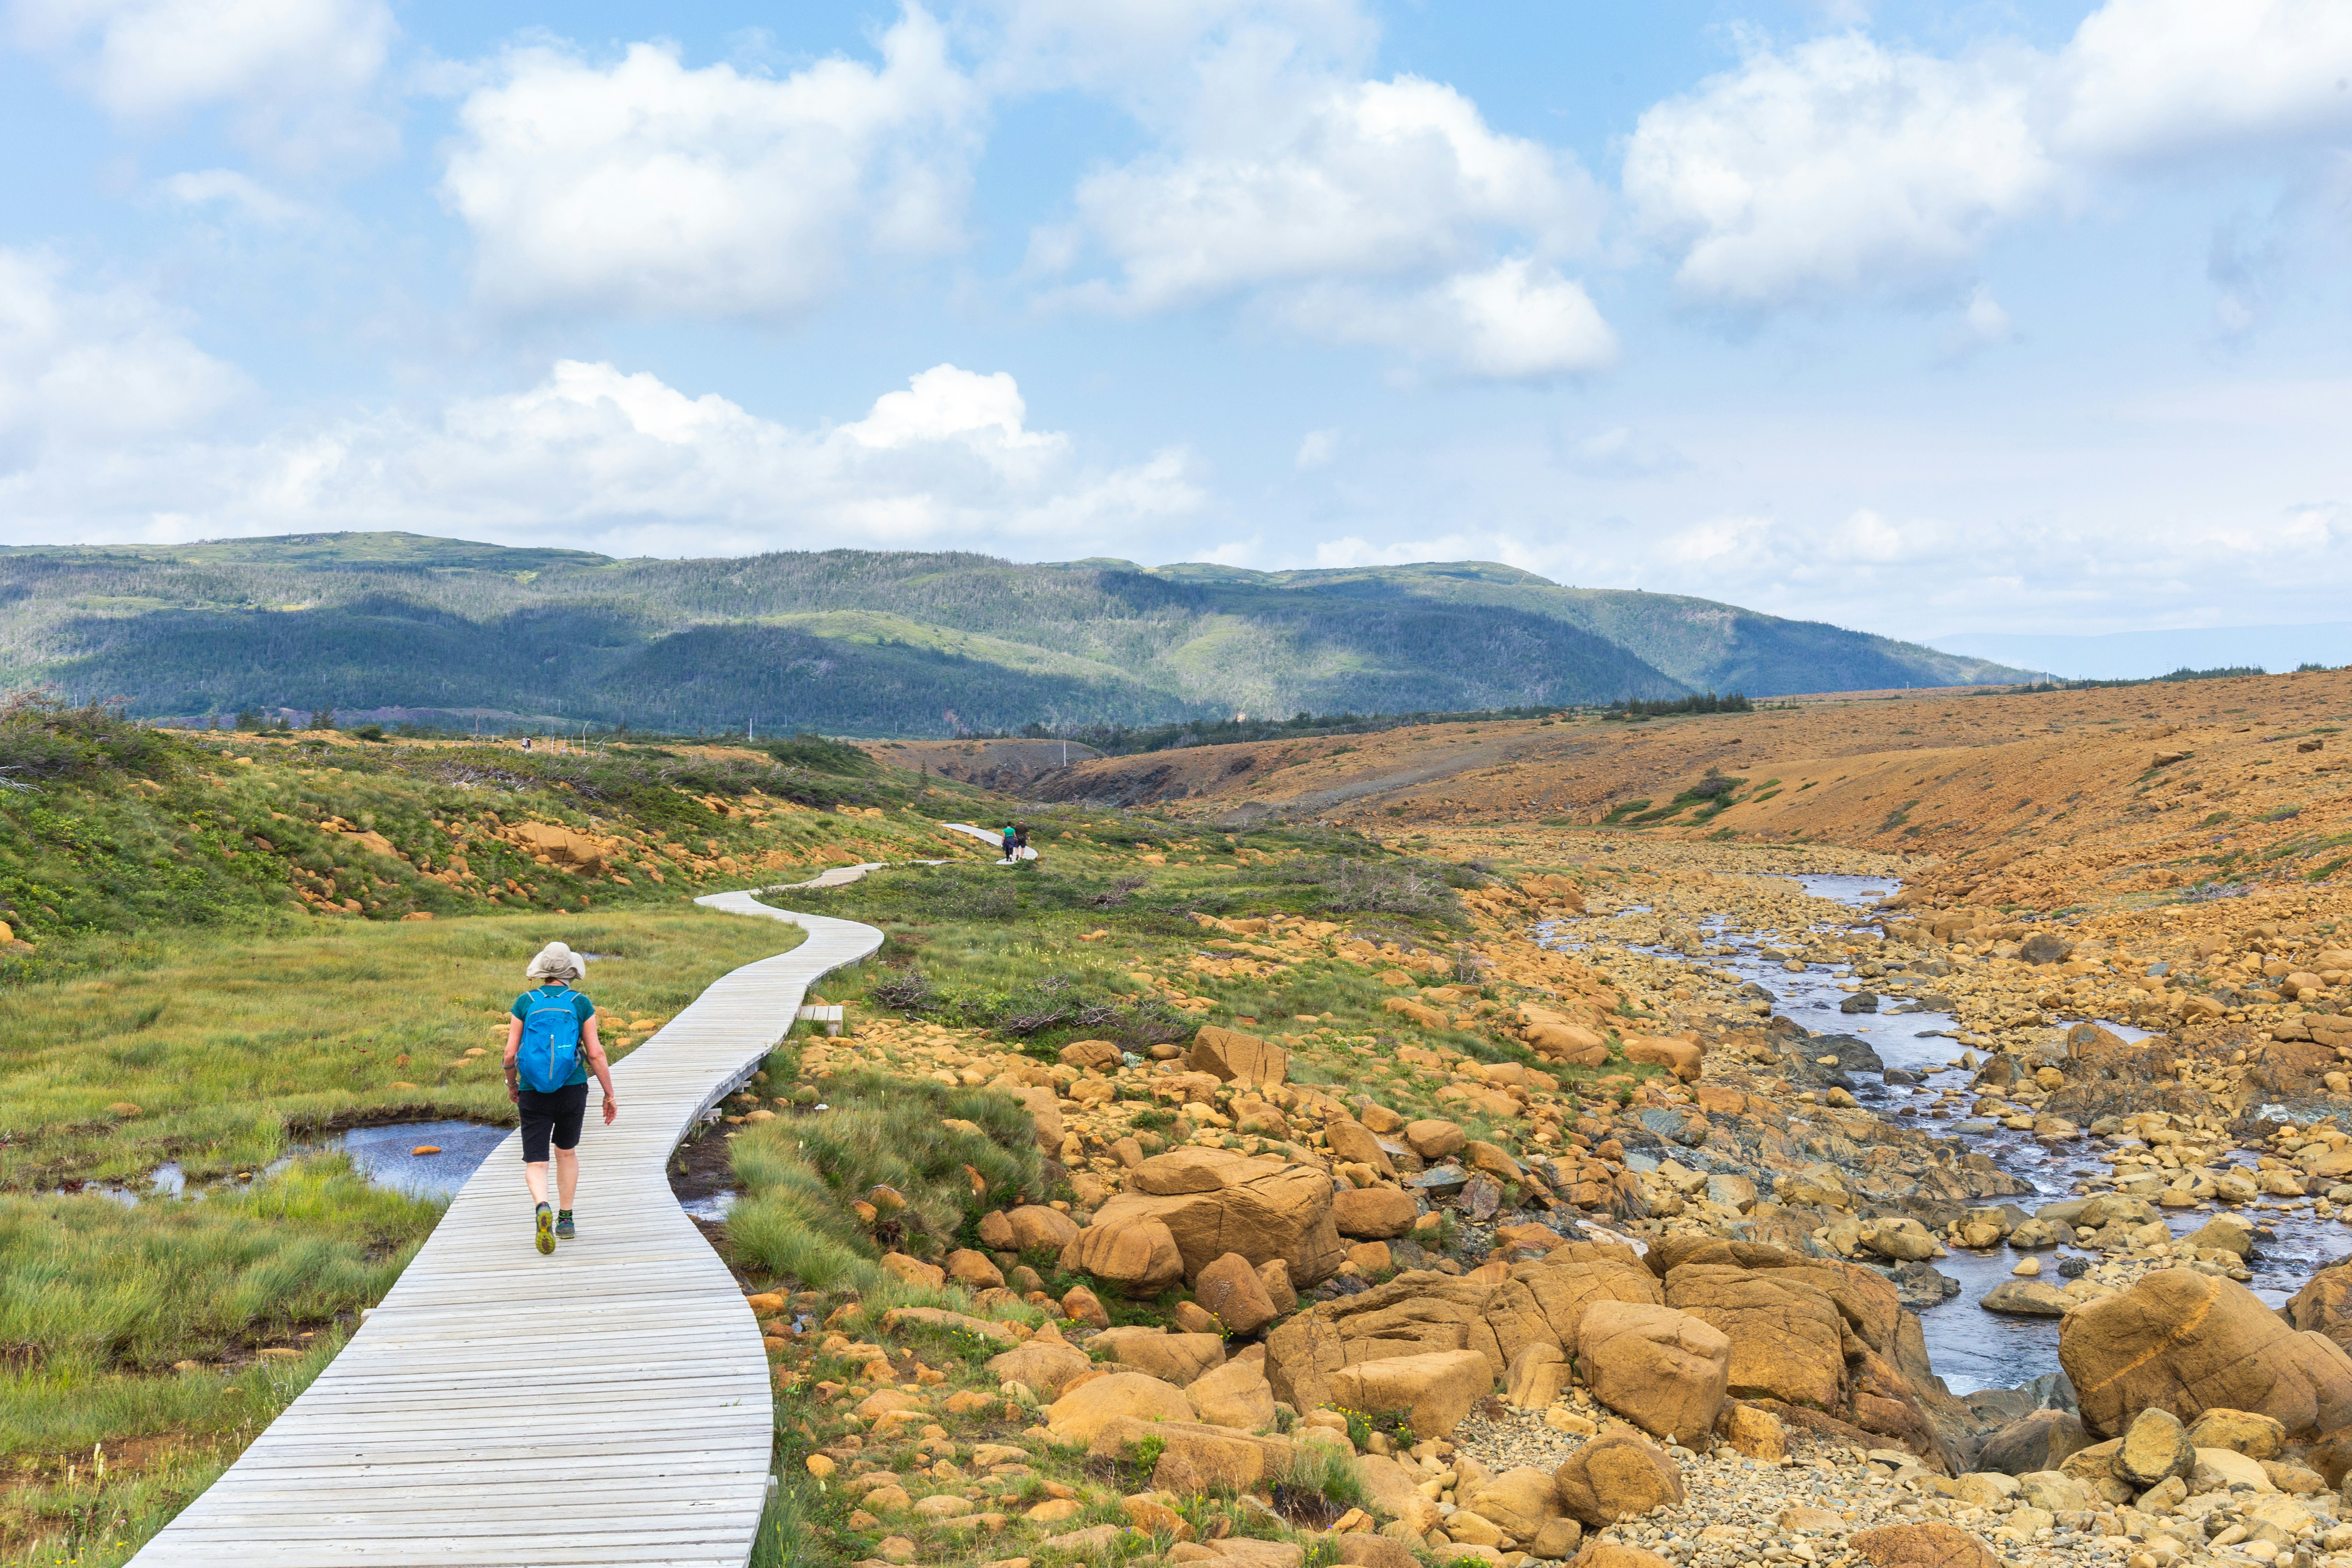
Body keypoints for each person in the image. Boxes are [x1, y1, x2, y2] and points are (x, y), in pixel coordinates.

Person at [503, 941, 618, 1254]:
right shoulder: (580, 1003)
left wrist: (512, 1084)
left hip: (532, 1091)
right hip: (572, 1088)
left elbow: (510, 1054)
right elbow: (596, 1053)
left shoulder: (525, 1002)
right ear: (571, 972)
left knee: (537, 1161)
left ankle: (543, 1206)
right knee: (566, 1153)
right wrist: (609, 1094)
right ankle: (566, 1219)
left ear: (542, 971)